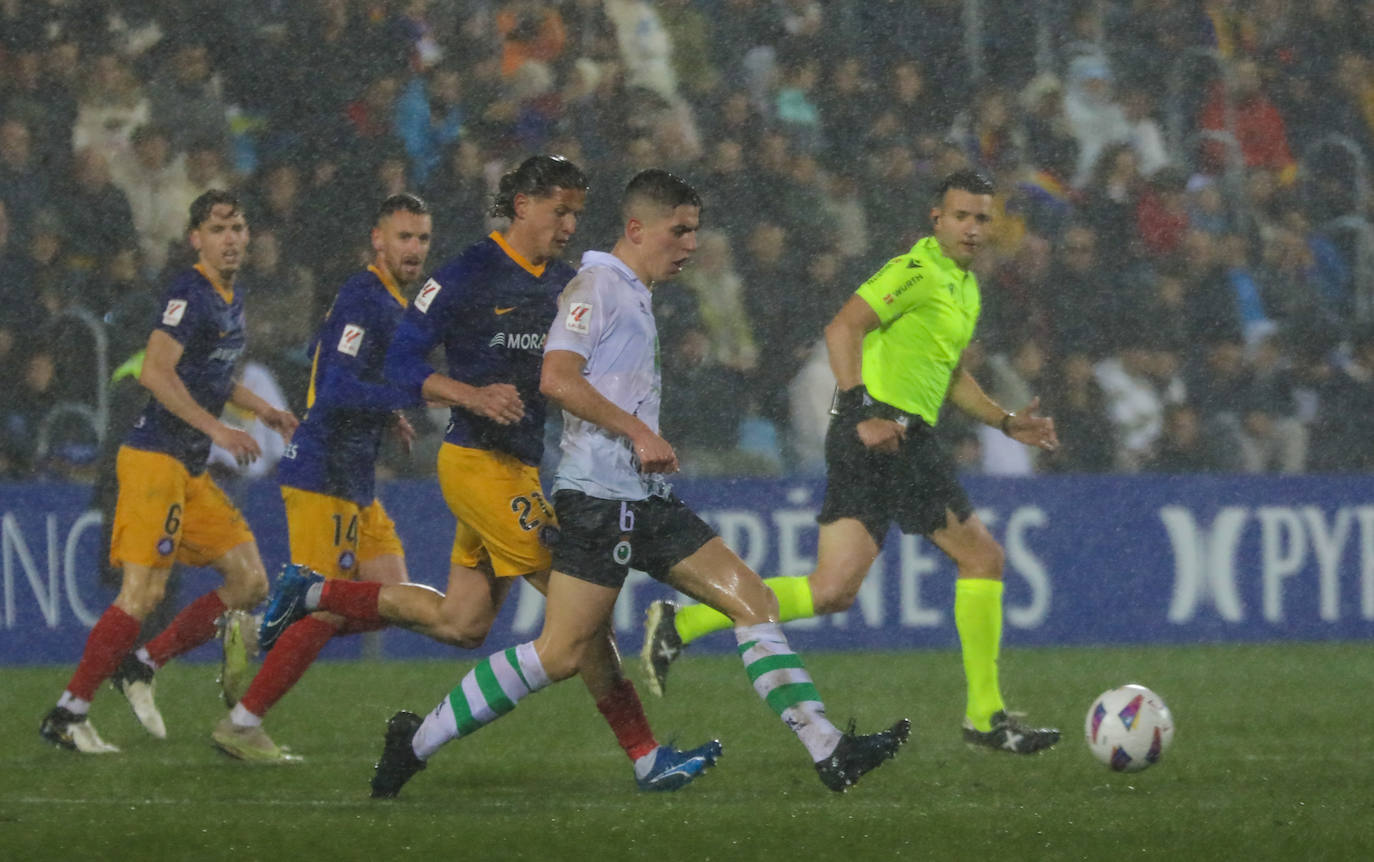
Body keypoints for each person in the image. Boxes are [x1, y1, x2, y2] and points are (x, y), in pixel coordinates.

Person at [362, 168, 910, 799]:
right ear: (637, 228)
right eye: (679, 230)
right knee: (562, 653)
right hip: (597, 500)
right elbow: (558, 379)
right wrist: (638, 433)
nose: (691, 243)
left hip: (644, 500)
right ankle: (416, 740)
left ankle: (829, 748)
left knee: (751, 600)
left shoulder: (631, 291)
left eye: (696, 231)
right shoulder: (597, 287)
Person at [259, 156, 719, 791]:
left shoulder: (565, 280)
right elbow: (400, 367)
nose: (568, 225)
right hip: (477, 465)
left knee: (462, 624)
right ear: (522, 205)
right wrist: (469, 395)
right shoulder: (466, 275)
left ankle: (311, 594)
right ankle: (646, 757)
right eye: (559, 211)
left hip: (520, 469)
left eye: (577, 214)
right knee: (579, 619)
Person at [643, 170, 1063, 755]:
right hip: (875, 432)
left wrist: (1005, 420)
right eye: (961, 216)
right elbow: (842, 326)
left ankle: (682, 622)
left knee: (834, 589)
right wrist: (861, 409)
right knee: (982, 558)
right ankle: (985, 717)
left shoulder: (965, 287)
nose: (972, 227)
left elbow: (950, 373)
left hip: (904, 437)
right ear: (936, 219)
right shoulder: (914, 271)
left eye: (981, 218)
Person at [40, 190, 298, 753]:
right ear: (196, 239)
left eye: (238, 227)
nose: (231, 237)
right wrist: (219, 431)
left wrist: (264, 411)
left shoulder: (230, 297)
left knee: (249, 579)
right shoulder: (188, 292)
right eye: (218, 228)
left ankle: (143, 664)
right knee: (141, 593)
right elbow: (156, 374)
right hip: (154, 458)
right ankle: (69, 712)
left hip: (187, 467)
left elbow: (215, 376)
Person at [210, 193, 434, 761]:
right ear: (378, 240)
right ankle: (242, 723)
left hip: (353, 475)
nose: (414, 249)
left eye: (422, 238)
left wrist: (388, 411)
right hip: (324, 471)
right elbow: (334, 386)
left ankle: (260, 628)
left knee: (394, 597)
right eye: (403, 237)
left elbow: (321, 355)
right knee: (332, 606)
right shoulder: (366, 296)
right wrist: (400, 394)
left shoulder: (383, 301)